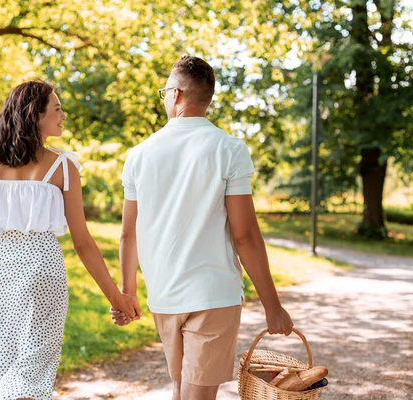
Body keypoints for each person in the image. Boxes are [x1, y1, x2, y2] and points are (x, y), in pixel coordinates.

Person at [110, 55, 294, 400]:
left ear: (177, 94)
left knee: (183, 390)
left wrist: (128, 293)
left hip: (164, 295)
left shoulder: (138, 155)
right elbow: (245, 234)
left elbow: (127, 233)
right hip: (213, 294)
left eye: (165, 90)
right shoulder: (229, 150)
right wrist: (273, 305)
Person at [0, 80, 140, 400]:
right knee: (32, 369)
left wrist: (0, 245)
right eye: (56, 109)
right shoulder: (62, 166)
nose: (63, 115)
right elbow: (83, 242)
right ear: (35, 116)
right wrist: (117, 298)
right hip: (42, 268)